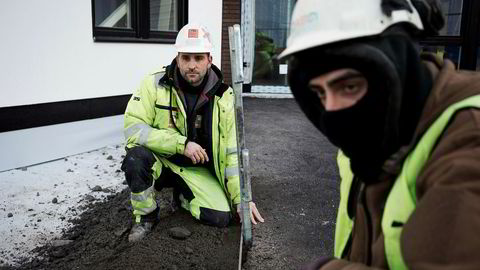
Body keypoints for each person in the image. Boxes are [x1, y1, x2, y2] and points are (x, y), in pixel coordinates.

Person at [279, 0, 480, 269]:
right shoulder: (376, 130)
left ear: (400, 65)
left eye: (349, 86)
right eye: (320, 93)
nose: (332, 111)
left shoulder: (470, 139)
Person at [122, 22, 264, 242]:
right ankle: (146, 216)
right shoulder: (153, 84)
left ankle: (183, 196)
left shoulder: (224, 98)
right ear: (177, 58)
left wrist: (242, 198)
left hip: (196, 170)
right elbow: (133, 128)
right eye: (186, 58)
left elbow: (232, 155)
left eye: (198, 58)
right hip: (161, 160)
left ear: (209, 60)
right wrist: (181, 144)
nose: (191, 65)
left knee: (221, 217)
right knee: (135, 159)